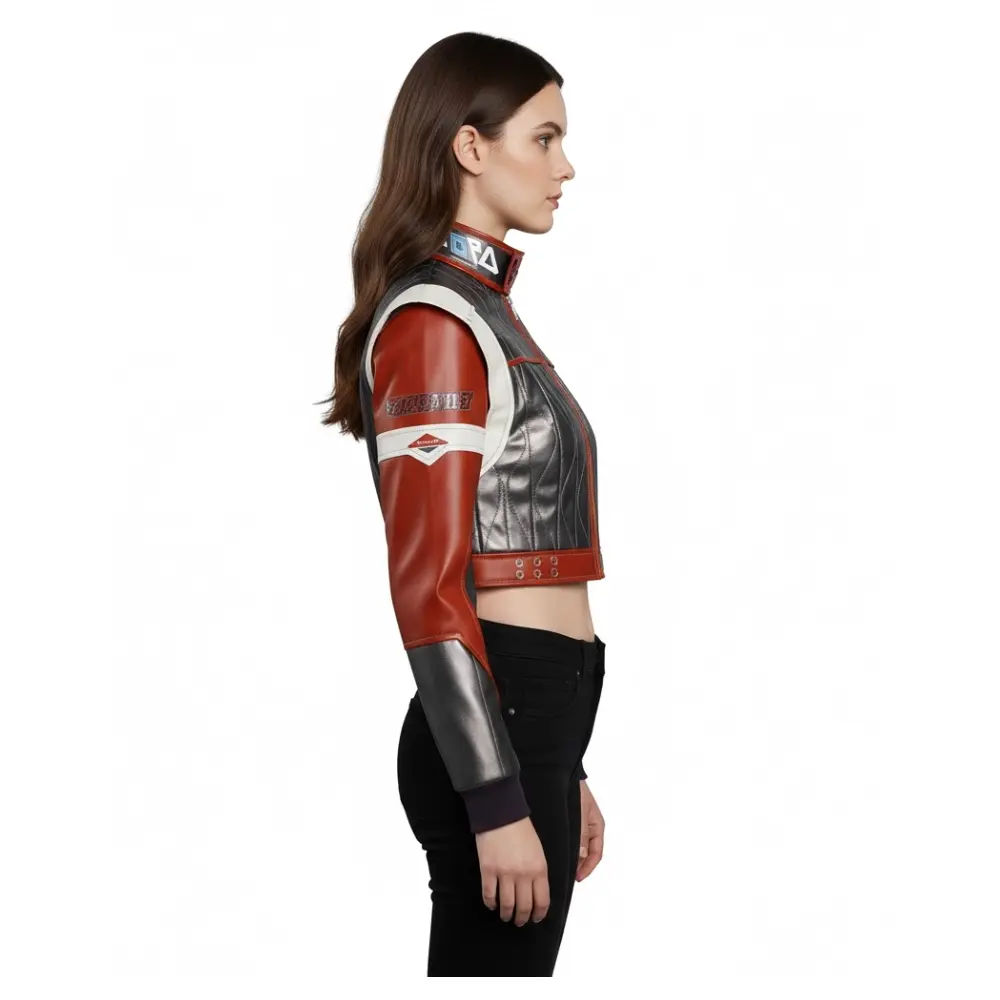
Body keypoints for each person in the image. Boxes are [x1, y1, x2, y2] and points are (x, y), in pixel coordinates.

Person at [319, 31, 608, 977]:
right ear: (471, 147)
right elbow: (427, 585)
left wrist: (564, 766)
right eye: (545, 138)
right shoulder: (435, 322)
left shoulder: (481, 309)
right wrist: (495, 795)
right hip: (502, 719)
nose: (566, 166)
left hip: (534, 720)